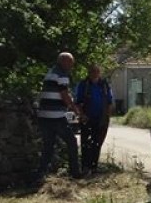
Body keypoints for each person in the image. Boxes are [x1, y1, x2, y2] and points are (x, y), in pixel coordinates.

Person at [34, 51, 83, 183]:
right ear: (64, 61)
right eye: (70, 63)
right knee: (72, 142)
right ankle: (75, 173)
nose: (71, 66)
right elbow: (64, 95)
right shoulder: (61, 74)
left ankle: (40, 175)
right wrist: (75, 110)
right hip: (55, 116)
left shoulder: (51, 72)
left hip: (44, 115)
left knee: (48, 146)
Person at [75, 64, 114, 174]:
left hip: (100, 119)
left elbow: (110, 102)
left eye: (96, 71)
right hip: (86, 118)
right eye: (92, 71)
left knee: (97, 143)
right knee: (85, 143)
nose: (94, 73)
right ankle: (85, 167)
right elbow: (78, 102)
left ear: (99, 72)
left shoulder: (104, 85)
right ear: (89, 72)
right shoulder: (83, 84)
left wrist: (107, 117)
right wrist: (82, 115)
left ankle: (94, 167)